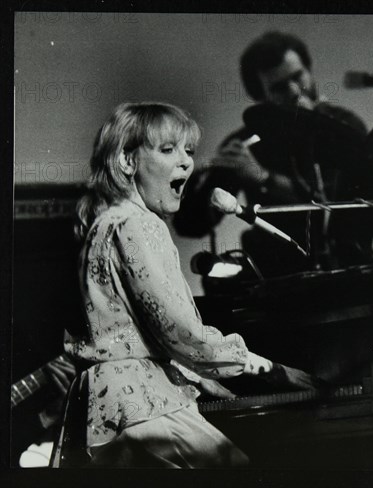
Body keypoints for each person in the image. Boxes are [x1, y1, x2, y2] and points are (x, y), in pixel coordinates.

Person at [55, 102, 319, 468]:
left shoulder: (103, 223)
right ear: (126, 162)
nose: (186, 163)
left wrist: (204, 380)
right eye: (167, 150)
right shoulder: (140, 225)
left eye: (189, 151)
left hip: (104, 410)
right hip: (142, 408)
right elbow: (182, 332)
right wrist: (273, 371)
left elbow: (137, 335)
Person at [174, 31, 373, 277]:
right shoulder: (247, 143)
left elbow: (330, 205)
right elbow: (193, 227)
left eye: (298, 77)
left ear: (309, 70)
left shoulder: (344, 127)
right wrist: (192, 180)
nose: (294, 91)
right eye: (280, 87)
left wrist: (263, 177)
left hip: (346, 268)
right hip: (276, 277)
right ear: (261, 96)